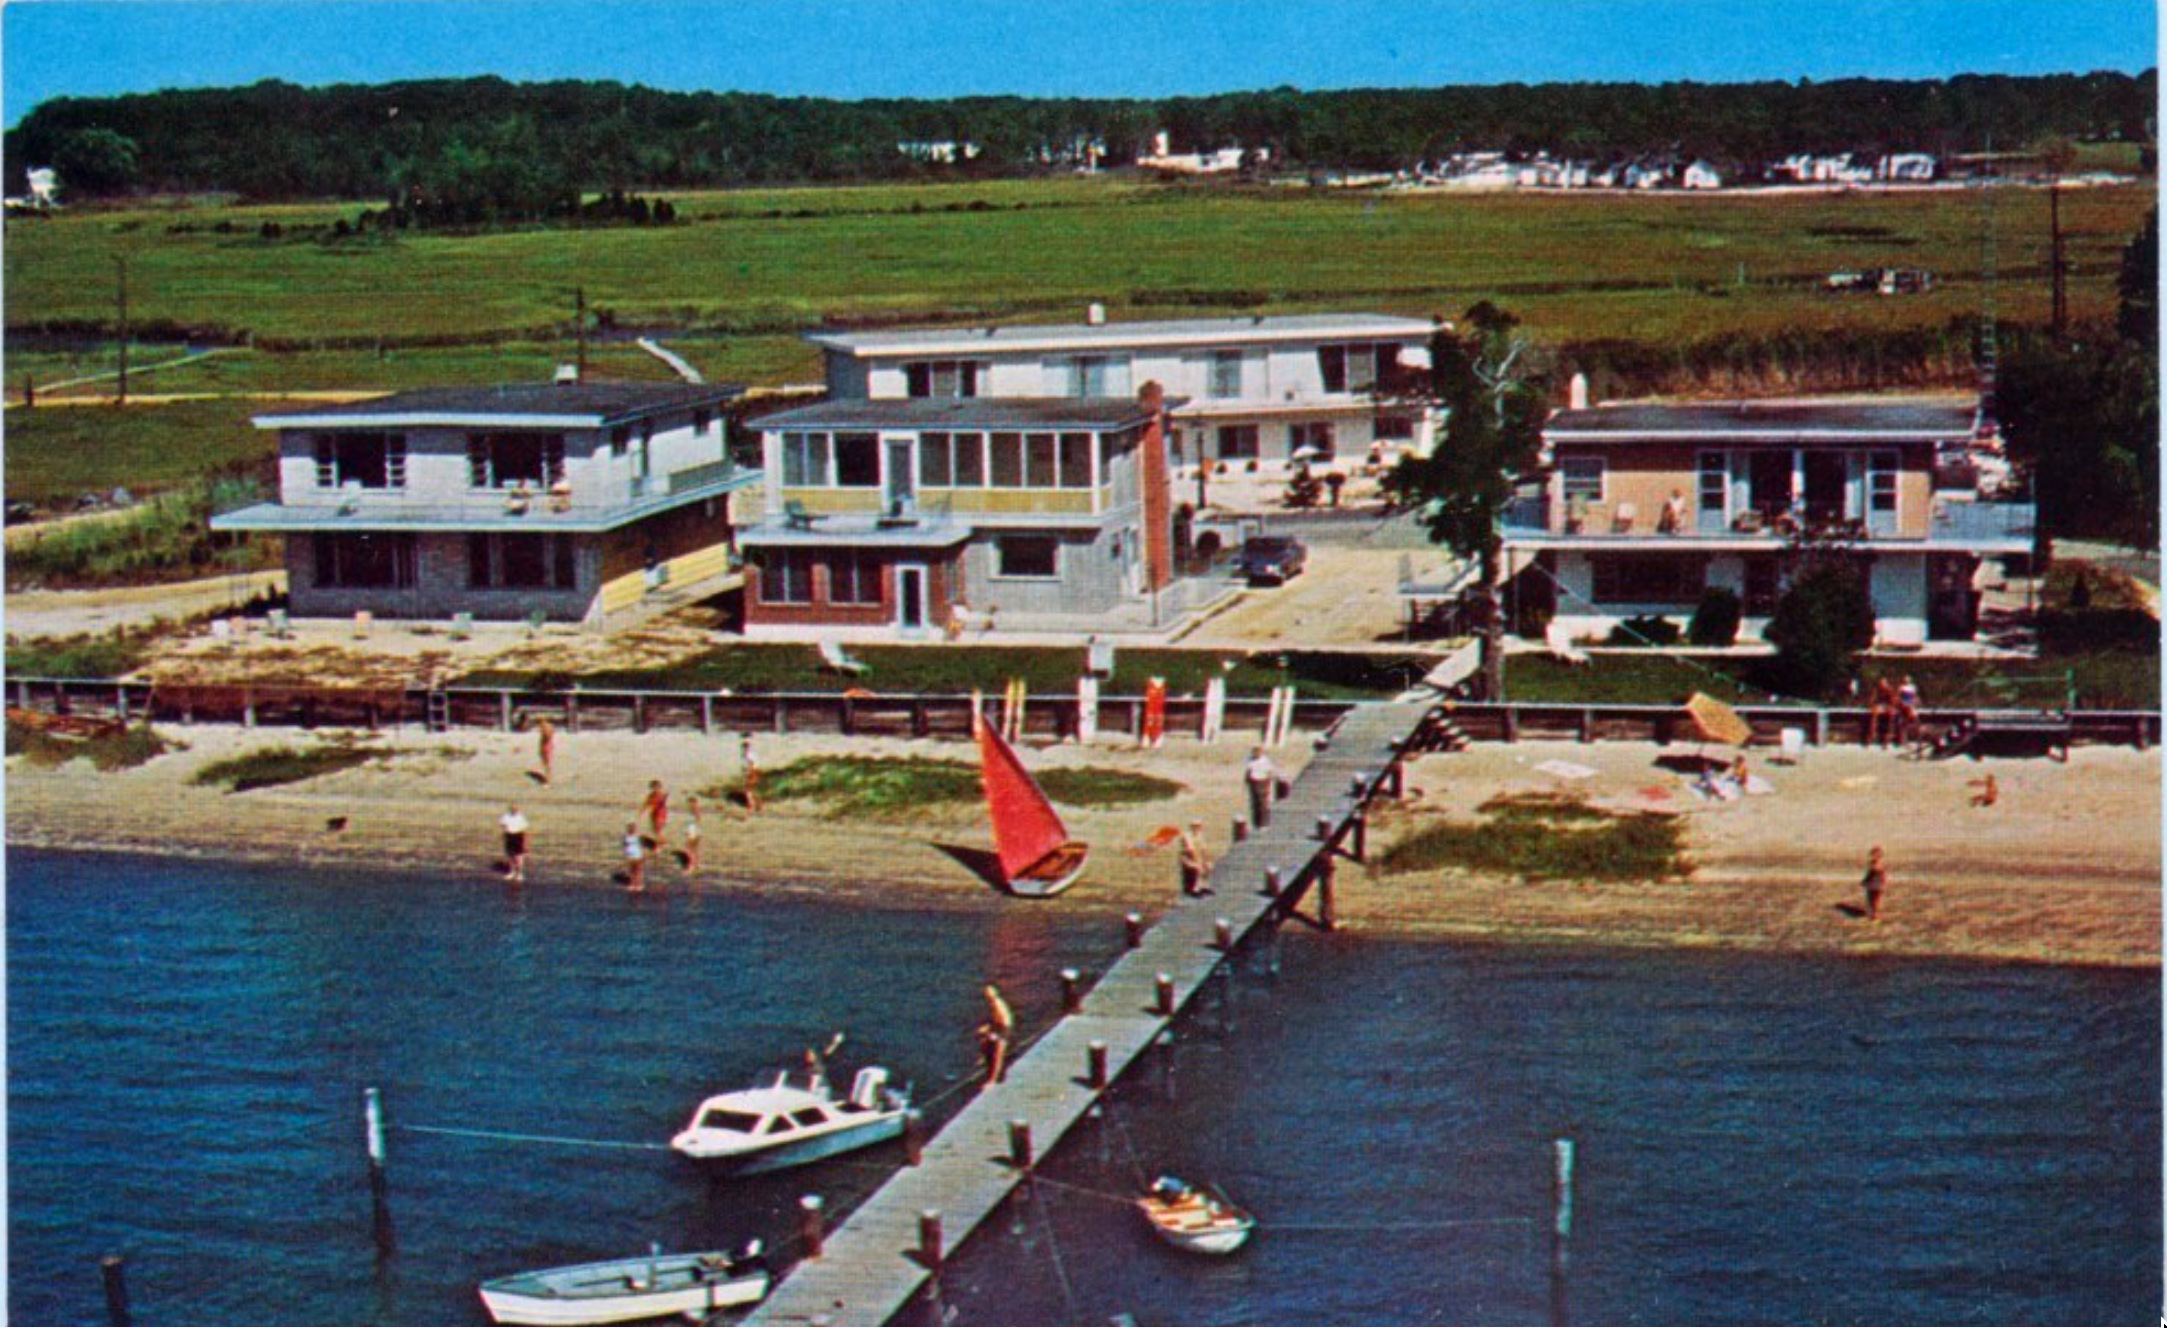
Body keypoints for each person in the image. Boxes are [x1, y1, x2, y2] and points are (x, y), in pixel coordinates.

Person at [978, 983, 1015, 1087]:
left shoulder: (997, 1004)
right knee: (984, 1041)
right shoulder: (993, 1003)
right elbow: (995, 1020)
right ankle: (985, 1058)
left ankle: (992, 1080)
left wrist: (989, 1028)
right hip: (999, 1028)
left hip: (1003, 1030)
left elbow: (1002, 1022)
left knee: (997, 1055)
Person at [1244, 746, 1280, 828]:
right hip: (1254, 782)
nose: (1256, 754)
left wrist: (1268, 784)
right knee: (1254, 803)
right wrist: (1246, 781)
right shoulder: (1250, 760)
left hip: (1263, 781)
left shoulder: (1265, 761)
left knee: (1263, 804)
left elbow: (1270, 772)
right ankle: (1256, 823)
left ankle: (1264, 823)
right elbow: (1248, 771)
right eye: (1255, 753)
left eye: (1258, 753)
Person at [1178, 820, 1214, 897]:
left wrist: (1207, 860)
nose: (1197, 828)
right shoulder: (1186, 836)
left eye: (1199, 826)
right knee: (1197, 868)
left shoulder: (1200, 835)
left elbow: (1204, 850)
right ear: (1191, 827)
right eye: (1195, 826)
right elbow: (1191, 851)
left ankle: (1204, 886)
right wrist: (1198, 863)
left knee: (1209, 866)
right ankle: (1194, 889)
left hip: (1198, 857)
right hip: (1187, 858)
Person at [498, 804, 530, 883]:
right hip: (509, 836)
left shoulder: (521, 818)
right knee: (510, 855)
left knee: (518, 857)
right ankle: (511, 872)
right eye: (512, 809)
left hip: (518, 836)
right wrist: (504, 833)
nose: (514, 810)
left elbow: (524, 831)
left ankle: (519, 873)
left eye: (516, 809)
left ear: (518, 810)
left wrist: (525, 843)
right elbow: (502, 824)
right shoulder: (506, 816)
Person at [1868, 677, 1899, 747]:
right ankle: (1872, 733)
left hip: (1888, 706)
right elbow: (1872, 699)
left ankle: (1888, 736)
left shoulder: (1890, 689)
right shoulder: (1876, 690)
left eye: (1883, 683)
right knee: (1874, 714)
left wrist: (1890, 706)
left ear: (1886, 683)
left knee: (1891, 715)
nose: (1882, 685)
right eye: (1881, 683)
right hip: (1879, 706)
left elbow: (1893, 700)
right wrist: (1872, 705)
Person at [1861, 846, 1887, 922]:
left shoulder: (1879, 864)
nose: (1874, 856)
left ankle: (1876, 916)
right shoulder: (1872, 863)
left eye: (1876, 854)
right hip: (1871, 885)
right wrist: (1865, 881)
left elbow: (1880, 874)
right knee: (1870, 900)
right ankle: (1872, 914)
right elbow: (1869, 874)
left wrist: (1883, 882)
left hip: (1877, 885)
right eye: (1873, 854)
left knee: (1876, 901)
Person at [1895, 675, 1921, 746]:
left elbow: (1915, 696)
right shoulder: (1901, 687)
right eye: (1905, 680)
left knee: (1915, 719)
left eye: (1908, 680)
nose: (1906, 681)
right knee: (1903, 722)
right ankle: (1903, 739)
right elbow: (1898, 697)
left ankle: (1915, 737)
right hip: (1904, 705)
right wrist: (1901, 703)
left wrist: (1915, 702)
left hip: (1911, 704)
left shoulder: (1912, 687)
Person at [739, 733, 762, 814]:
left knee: (749, 791)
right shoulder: (751, 753)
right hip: (754, 771)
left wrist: (748, 772)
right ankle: (757, 806)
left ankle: (751, 807)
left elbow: (750, 763)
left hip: (752, 772)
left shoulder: (749, 753)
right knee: (752, 790)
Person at [622, 822, 648, 892]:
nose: (632, 829)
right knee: (631, 870)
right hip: (630, 855)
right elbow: (625, 846)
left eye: (633, 828)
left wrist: (643, 855)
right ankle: (632, 884)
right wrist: (625, 854)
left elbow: (642, 846)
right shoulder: (626, 837)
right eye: (630, 828)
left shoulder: (638, 837)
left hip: (638, 855)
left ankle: (639, 884)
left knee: (638, 870)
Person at [681, 795, 703, 876]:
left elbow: (696, 821)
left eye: (690, 803)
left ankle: (690, 867)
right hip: (694, 830)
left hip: (693, 830)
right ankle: (697, 866)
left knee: (689, 849)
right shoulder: (694, 811)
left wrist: (691, 832)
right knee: (694, 850)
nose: (689, 805)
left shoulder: (695, 810)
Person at [535, 717, 557, 786]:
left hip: (546, 746)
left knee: (547, 764)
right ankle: (547, 779)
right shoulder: (547, 727)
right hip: (547, 745)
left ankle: (548, 781)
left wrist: (544, 732)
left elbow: (547, 736)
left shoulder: (546, 727)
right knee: (546, 764)